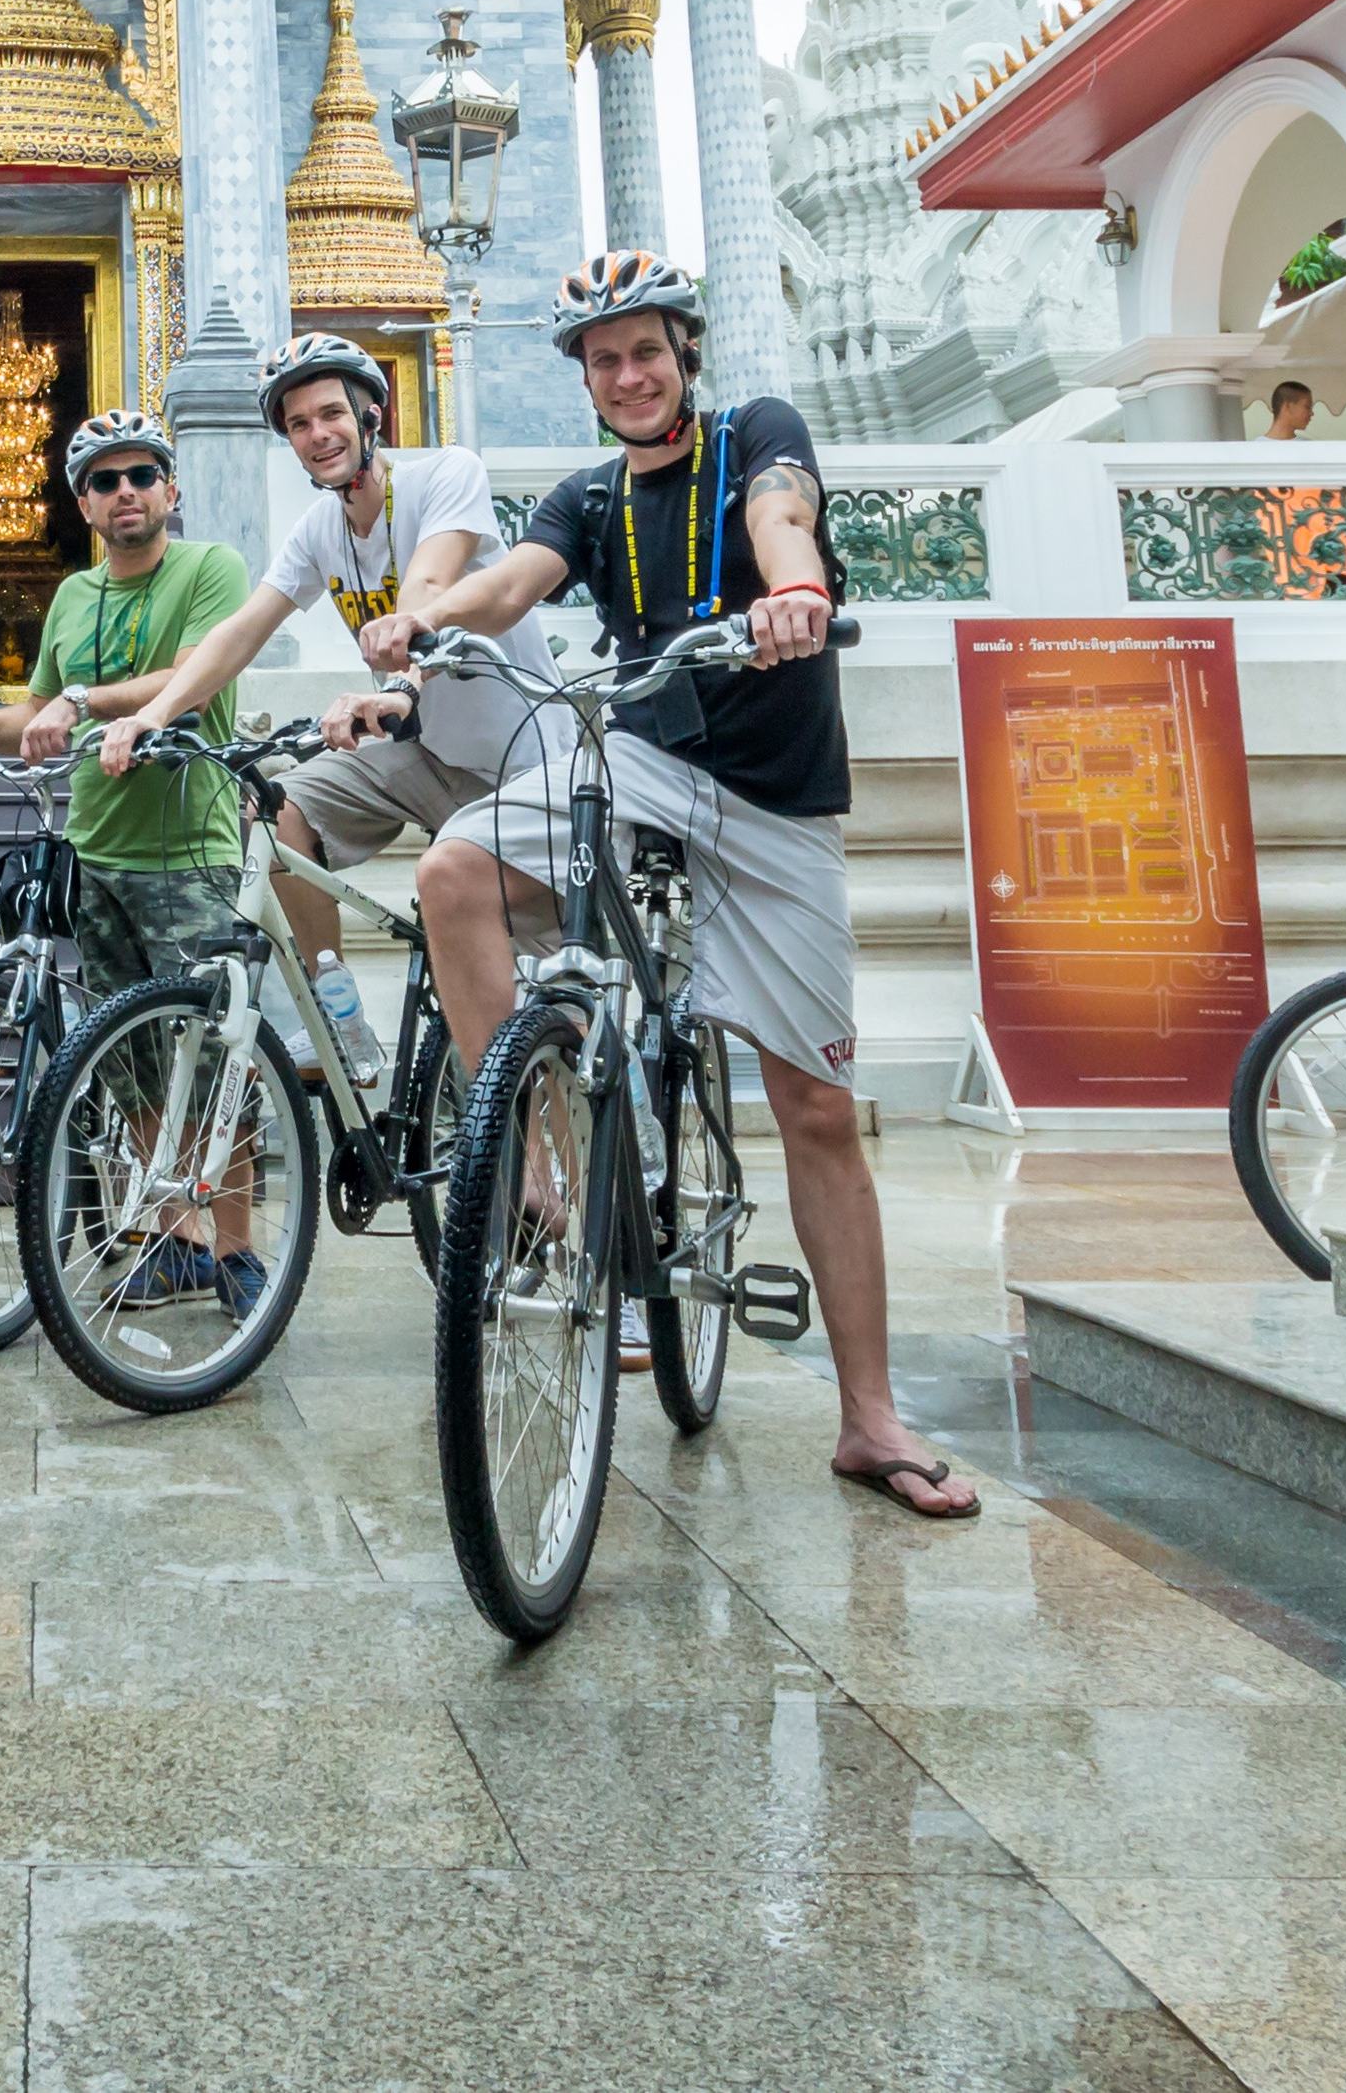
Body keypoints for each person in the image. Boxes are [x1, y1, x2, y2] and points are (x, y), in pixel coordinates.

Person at [396, 249, 977, 1519]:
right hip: (647, 763)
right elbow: (515, 583)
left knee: (815, 1107)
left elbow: (783, 511)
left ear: (684, 354)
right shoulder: (588, 500)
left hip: (778, 802)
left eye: (645, 349)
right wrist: (428, 619)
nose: (629, 373)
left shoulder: (756, 435)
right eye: (604, 360)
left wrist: (798, 592)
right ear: (586, 382)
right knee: (454, 868)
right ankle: (530, 1152)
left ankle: (869, 1418)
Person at [94, 334, 553, 1083]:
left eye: (332, 412)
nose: (318, 433)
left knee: (532, 1016)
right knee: (276, 811)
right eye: (299, 423)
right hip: (427, 755)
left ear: (371, 414)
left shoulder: (446, 474)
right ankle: (339, 1018)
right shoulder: (320, 530)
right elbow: (241, 629)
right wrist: (157, 712)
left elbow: (428, 589)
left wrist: (398, 683)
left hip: (522, 762)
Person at [0, 408, 265, 1316]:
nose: (125, 493)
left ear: (169, 490)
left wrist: (79, 697)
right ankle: (177, 1239)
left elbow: (192, 675)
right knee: (136, 1061)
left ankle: (236, 1248)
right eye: (104, 482)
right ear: (83, 504)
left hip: (192, 847)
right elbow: (31, 710)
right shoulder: (72, 596)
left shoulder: (209, 569)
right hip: (96, 852)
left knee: (214, 1052)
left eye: (142, 475)